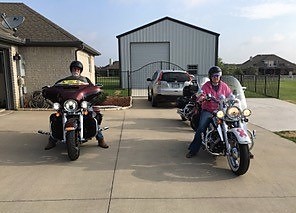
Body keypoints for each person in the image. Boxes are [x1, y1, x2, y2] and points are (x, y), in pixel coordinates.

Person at [44, 60, 109, 150]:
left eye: (78, 69)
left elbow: (91, 87)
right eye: (74, 69)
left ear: (80, 70)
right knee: (56, 118)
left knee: (91, 116)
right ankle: (52, 140)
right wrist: (49, 89)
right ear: (71, 70)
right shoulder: (65, 81)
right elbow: (56, 87)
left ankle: (100, 139)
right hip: (68, 104)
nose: (76, 70)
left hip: (81, 104)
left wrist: (95, 89)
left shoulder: (85, 80)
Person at [186, 66, 232, 158]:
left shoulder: (224, 86)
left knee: (236, 122)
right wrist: (202, 97)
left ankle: (244, 147)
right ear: (210, 77)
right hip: (209, 110)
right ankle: (193, 150)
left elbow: (230, 94)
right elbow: (201, 93)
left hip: (222, 111)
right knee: (202, 127)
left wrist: (233, 98)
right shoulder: (206, 85)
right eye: (214, 76)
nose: (216, 77)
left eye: (218, 75)